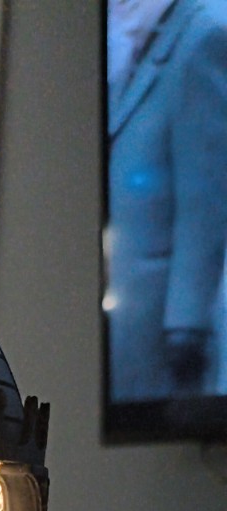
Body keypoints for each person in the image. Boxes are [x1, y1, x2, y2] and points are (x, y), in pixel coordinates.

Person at [107, 0, 227, 400]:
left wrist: (186, 327)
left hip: (165, 337)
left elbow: (205, 202)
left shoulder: (203, 39)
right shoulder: (139, 44)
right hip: (130, 322)